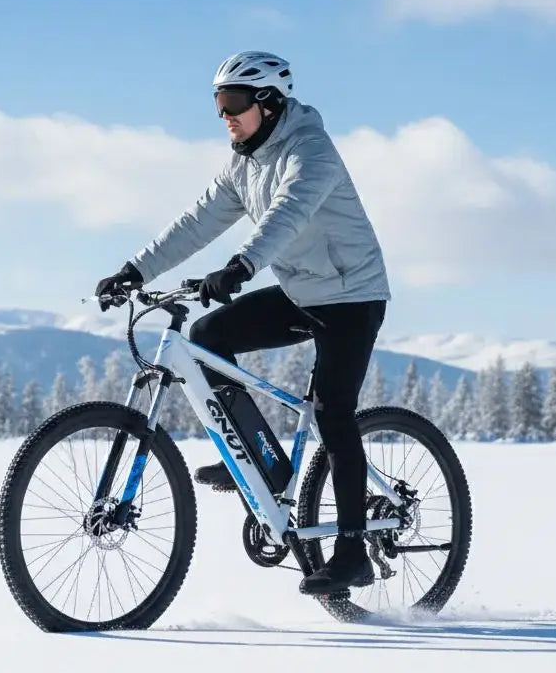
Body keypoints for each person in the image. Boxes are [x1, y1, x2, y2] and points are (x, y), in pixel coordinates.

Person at [95, 51, 390, 595]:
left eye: (233, 102)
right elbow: (196, 222)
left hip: (352, 296)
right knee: (209, 336)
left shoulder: (311, 151)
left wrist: (242, 266)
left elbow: (288, 213)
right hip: (303, 292)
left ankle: (352, 552)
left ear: (270, 103)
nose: (224, 115)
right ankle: (259, 458)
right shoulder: (245, 163)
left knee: (333, 412)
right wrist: (134, 270)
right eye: (218, 103)